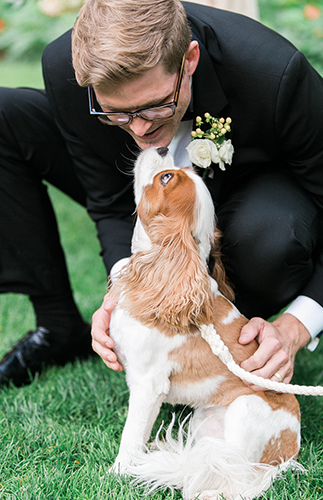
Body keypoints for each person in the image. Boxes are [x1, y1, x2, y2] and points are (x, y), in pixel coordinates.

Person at [0, 0, 322, 389]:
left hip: (250, 190)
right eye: (116, 113)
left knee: (269, 235)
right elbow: (110, 202)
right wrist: (121, 288)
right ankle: (58, 325)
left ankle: (217, 346)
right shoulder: (64, 67)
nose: (138, 131)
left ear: (189, 60)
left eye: (156, 106)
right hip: (145, 185)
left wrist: (295, 326)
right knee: (5, 116)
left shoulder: (273, 74)